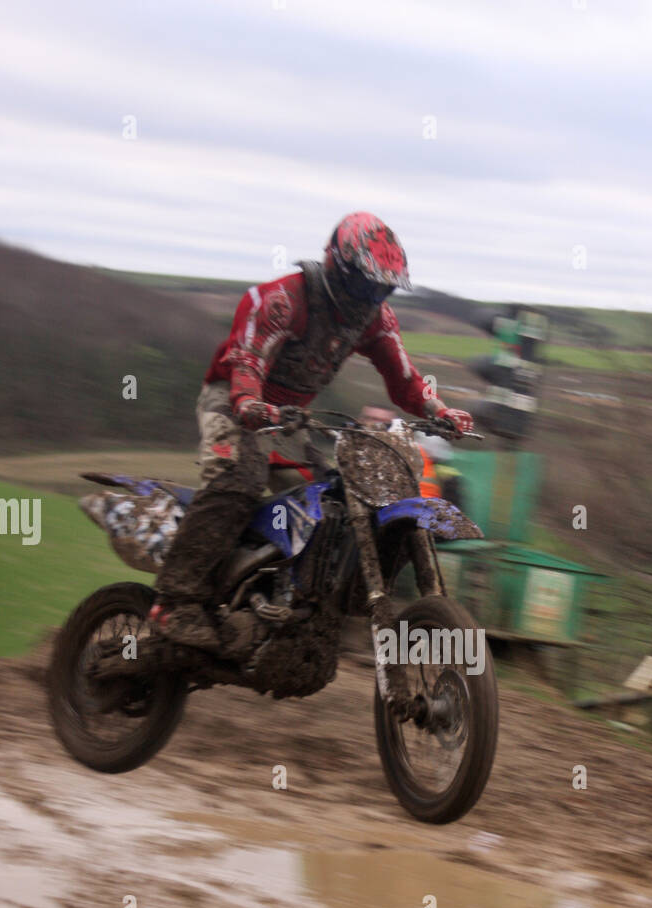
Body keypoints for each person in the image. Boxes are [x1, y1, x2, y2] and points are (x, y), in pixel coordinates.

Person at [151, 212, 473, 650]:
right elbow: (246, 360)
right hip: (232, 402)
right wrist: (248, 402)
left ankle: (288, 602)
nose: (373, 296)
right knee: (239, 481)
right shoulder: (283, 300)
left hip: (286, 419)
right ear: (340, 269)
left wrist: (440, 409)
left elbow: (404, 379)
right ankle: (178, 601)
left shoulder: (375, 319)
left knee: (330, 499)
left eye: (384, 287)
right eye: (367, 284)